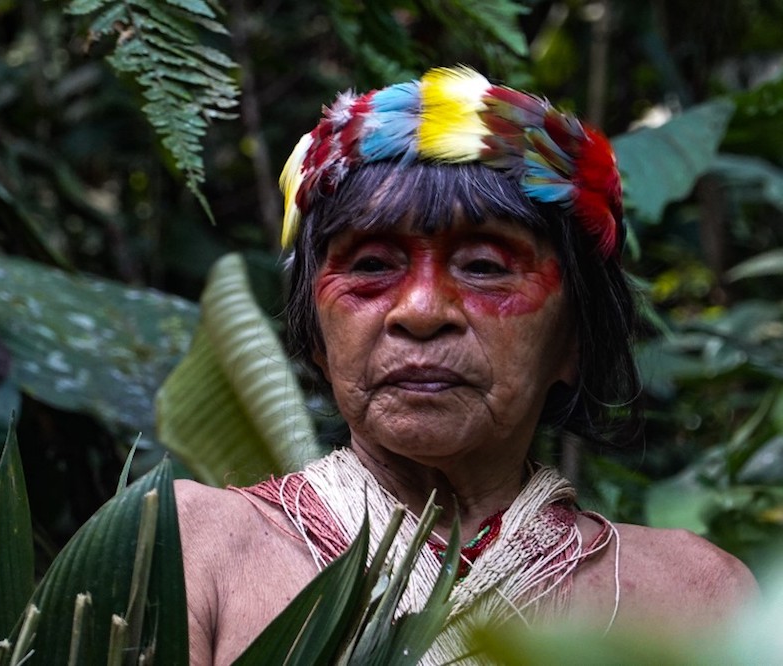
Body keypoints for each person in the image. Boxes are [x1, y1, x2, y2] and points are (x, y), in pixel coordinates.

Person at [175, 66, 758, 664]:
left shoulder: (698, 598)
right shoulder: (192, 553)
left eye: (484, 266)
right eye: (372, 265)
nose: (422, 312)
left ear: (574, 341)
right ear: (319, 337)